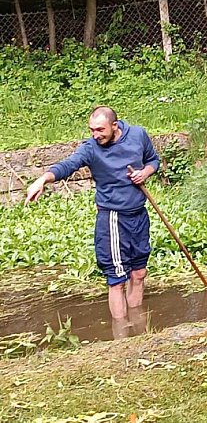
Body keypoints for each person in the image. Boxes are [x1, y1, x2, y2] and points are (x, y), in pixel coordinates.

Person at [26, 106, 160, 337]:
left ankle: (138, 330)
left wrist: (145, 173)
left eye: (100, 130)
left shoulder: (138, 135)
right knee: (117, 280)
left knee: (139, 274)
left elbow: (153, 160)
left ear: (115, 126)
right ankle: (122, 337)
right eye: (92, 130)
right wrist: (43, 180)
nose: (95, 135)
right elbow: (67, 165)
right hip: (112, 218)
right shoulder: (90, 148)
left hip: (139, 214)